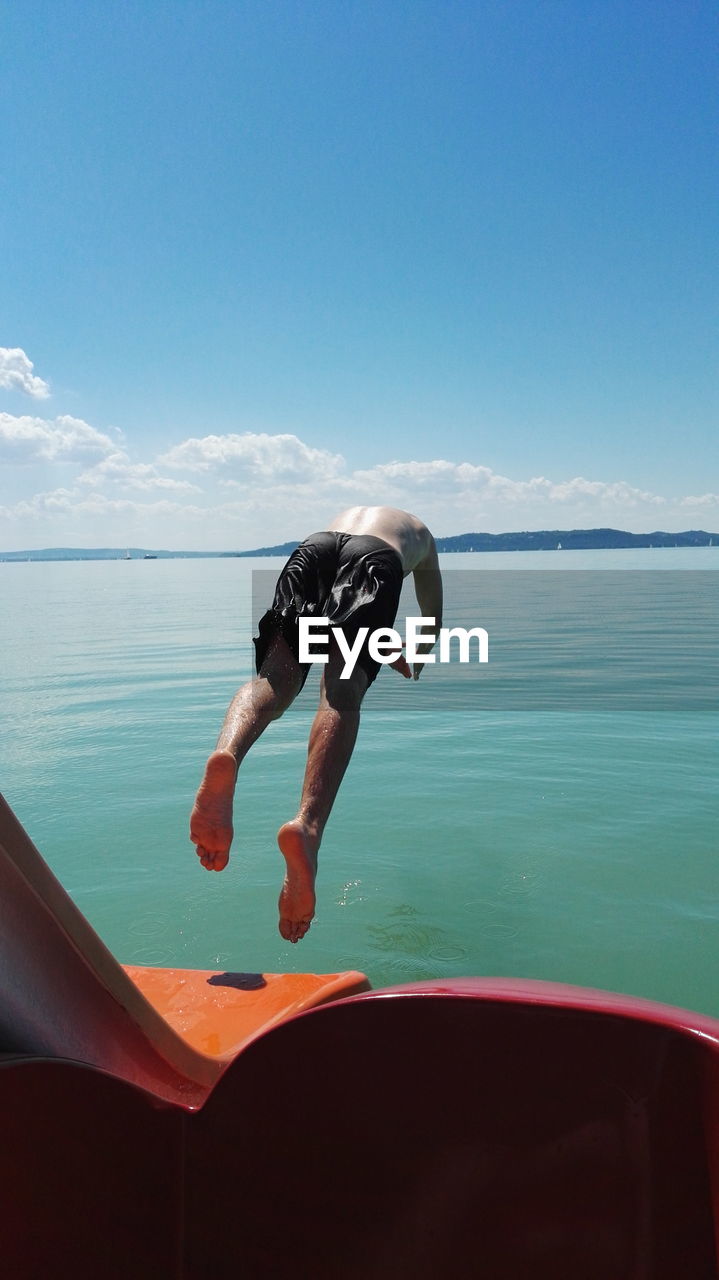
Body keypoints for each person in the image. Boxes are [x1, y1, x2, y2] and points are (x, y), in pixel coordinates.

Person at [190, 505, 443, 943]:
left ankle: (227, 753)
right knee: (341, 695)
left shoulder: (352, 515)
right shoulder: (421, 537)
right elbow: (431, 613)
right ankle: (307, 826)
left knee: (272, 684)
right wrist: (415, 656)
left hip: (313, 548)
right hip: (375, 561)